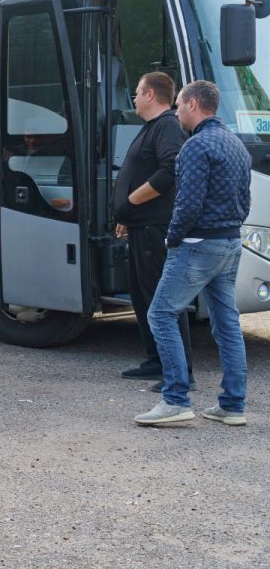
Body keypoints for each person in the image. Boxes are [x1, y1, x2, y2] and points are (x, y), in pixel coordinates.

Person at [135, 80, 251, 426]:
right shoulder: (236, 145)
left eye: (180, 105)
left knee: (160, 314)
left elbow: (187, 203)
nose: (176, 111)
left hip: (197, 245)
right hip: (230, 243)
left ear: (193, 105)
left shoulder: (195, 147)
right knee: (227, 324)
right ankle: (233, 405)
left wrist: (172, 238)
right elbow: (245, 202)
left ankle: (175, 400)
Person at [113, 72, 193, 388]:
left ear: (149, 94)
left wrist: (131, 201)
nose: (133, 98)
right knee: (143, 295)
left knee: (162, 299)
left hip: (153, 228)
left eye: (136, 92)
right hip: (140, 225)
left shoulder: (168, 126)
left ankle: (180, 370)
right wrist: (127, 215)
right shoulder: (152, 128)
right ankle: (156, 360)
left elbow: (171, 169)